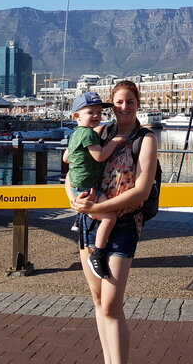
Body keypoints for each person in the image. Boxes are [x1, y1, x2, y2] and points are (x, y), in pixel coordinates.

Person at [66, 80, 157, 364]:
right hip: (89, 222)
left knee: (111, 306)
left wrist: (99, 206)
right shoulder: (100, 132)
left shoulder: (146, 139)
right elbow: (72, 167)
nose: (124, 107)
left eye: (130, 101)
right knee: (96, 300)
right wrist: (72, 198)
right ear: (112, 105)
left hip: (124, 224)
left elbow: (141, 191)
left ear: (138, 104)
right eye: (118, 102)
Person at [63, 91, 125, 279]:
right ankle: (98, 253)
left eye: (99, 113)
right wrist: (115, 141)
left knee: (100, 214)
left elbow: (66, 158)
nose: (96, 116)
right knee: (110, 217)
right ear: (77, 116)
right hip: (87, 188)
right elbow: (100, 156)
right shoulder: (88, 134)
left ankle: (79, 217)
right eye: (91, 112)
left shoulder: (75, 134)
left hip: (76, 185)